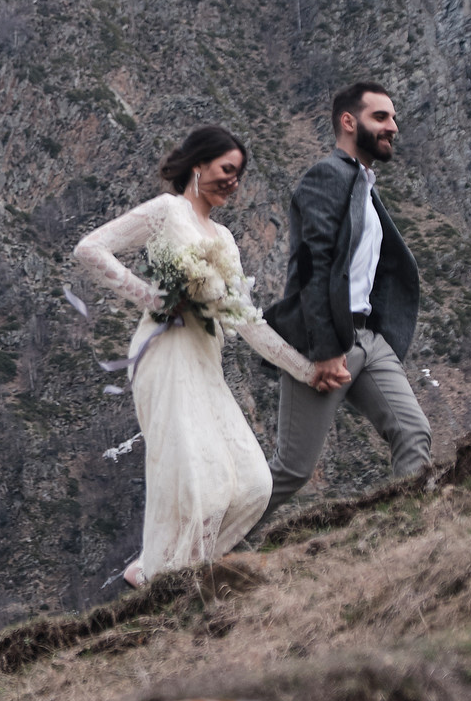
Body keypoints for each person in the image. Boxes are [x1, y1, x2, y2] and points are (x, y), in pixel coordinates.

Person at [74, 125, 320, 585]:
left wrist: (306, 371)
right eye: (227, 169)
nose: (234, 181)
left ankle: (159, 574)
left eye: (240, 174)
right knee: (204, 490)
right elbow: (90, 248)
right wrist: (153, 297)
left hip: (206, 360)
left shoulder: (225, 239)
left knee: (252, 485)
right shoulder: (167, 212)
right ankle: (182, 591)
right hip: (165, 353)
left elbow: (245, 319)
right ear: (199, 165)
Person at [261, 83, 433, 519]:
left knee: (413, 432)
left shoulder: (364, 185)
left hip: (369, 340)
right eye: (381, 117)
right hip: (328, 342)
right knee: (292, 470)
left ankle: (407, 533)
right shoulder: (327, 176)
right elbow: (313, 268)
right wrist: (326, 350)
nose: (393, 127)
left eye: (393, 118)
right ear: (349, 122)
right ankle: (199, 553)